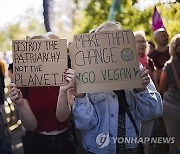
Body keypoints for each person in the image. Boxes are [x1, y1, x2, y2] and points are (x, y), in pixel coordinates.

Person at [69, 22, 163, 154]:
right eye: (105, 37)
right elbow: (85, 124)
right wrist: (80, 97)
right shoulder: (87, 74)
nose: (112, 42)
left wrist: (140, 90)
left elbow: (154, 112)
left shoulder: (135, 68)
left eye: (117, 36)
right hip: (98, 148)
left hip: (130, 147)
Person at [9, 35, 76, 154]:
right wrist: (21, 105)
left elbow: (62, 117)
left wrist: (62, 91)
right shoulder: (24, 84)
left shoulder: (63, 77)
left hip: (65, 140)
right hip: (38, 143)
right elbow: (31, 126)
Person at [134, 30, 157, 154]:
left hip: (150, 101)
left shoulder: (149, 61)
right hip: (138, 104)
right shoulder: (130, 63)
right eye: (138, 41)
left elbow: (154, 81)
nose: (142, 44)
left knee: (146, 142)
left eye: (144, 41)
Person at [159, 34, 180, 154]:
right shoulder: (169, 66)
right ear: (175, 47)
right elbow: (162, 88)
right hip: (173, 106)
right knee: (174, 140)